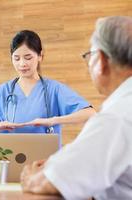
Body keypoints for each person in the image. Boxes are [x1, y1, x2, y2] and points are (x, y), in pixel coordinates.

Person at [20, 16, 132, 199]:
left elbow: (47, 182)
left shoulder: (117, 117)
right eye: (17, 58)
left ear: (101, 60)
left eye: (90, 56)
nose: (22, 64)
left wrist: (31, 175)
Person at [0, 30, 95, 136]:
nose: (22, 64)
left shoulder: (54, 89)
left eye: (28, 57)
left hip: (45, 164)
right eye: (16, 58)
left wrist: (52, 120)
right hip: (11, 162)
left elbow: (90, 113)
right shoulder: (3, 92)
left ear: (40, 56)